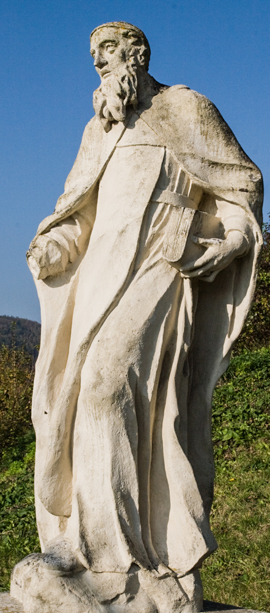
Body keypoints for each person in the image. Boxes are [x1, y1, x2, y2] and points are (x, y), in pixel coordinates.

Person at [14, 22, 263, 613]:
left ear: (137, 55)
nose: (99, 67)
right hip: (99, 277)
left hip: (161, 266)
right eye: (93, 59)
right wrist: (52, 247)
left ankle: (119, 560)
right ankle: (84, 547)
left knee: (109, 387)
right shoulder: (98, 129)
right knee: (77, 405)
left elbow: (243, 184)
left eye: (107, 54)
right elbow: (79, 212)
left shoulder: (188, 109)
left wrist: (227, 241)